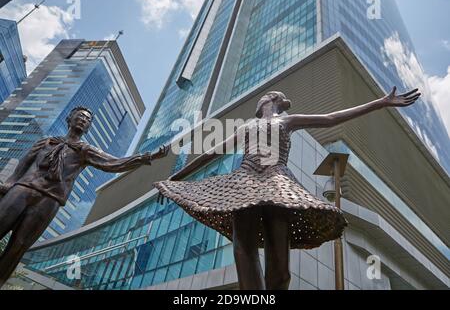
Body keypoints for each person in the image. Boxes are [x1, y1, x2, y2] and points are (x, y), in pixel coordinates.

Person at [155, 87, 421, 290]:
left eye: (261, 99)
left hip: (277, 182)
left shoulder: (287, 121)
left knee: (280, 270)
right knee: (243, 249)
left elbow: (330, 118)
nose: (257, 102)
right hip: (244, 182)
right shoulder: (248, 126)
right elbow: (213, 152)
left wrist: (381, 103)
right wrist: (177, 177)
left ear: (270, 100)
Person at [0, 106, 169, 287]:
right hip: (23, 189)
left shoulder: (85, 151)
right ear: (69, 119)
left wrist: (147, 156)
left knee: (19, 246)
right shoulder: (47, 142)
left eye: (87, 119)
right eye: (79, 116)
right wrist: (10, 183)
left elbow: (113, 163)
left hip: (49, 200)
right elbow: (25, 162)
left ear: (88, 127)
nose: (83, 120)